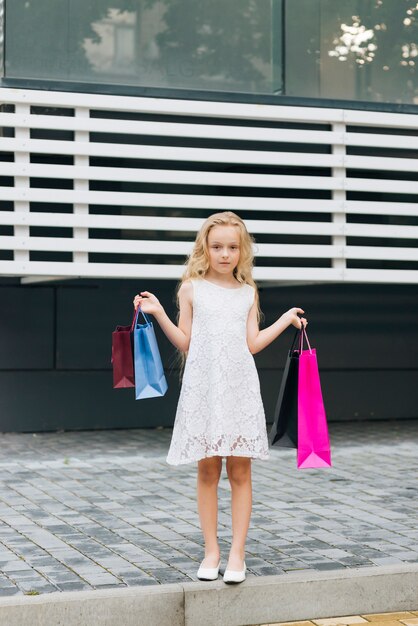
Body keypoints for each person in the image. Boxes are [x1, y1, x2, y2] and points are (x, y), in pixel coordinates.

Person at [133, 211, 307, 584]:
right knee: (208, 470)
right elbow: (186, 342)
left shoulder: (247, 292)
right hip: (204, 389)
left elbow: (253, 344)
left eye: (232, 247)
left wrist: (286, 318)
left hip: (240, 389)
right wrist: (160, 312)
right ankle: (211, 551)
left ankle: (237, 553)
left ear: (241, 251)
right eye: (217, 247)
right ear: (205, 249)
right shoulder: (191, 288)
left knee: (240, 471)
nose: (225, 254)